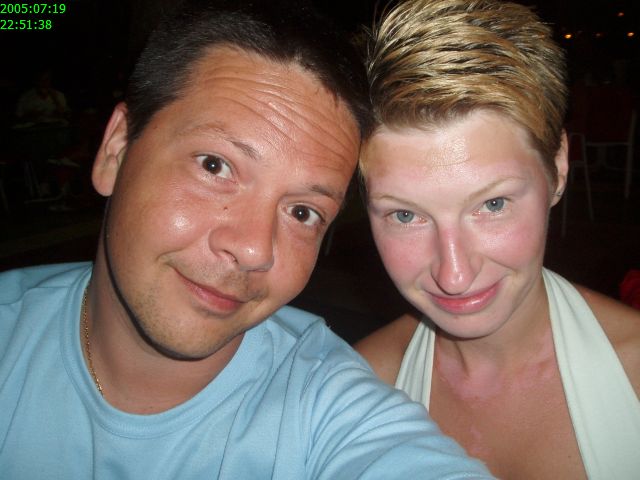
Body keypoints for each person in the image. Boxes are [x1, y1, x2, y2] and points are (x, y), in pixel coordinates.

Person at [0, 2, 494, 478]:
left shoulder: (329, 408)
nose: (255, 249)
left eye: (302, 212)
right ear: (116, 150)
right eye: (215, 166)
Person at [355, 0, 640, 479]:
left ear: (558, 167)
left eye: (492, 205)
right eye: (406, 215)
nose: (454, 275)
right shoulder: (357, 389)